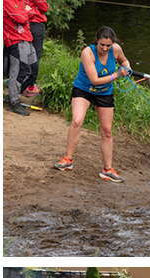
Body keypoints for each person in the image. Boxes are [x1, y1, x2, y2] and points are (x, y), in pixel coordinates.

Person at [54, 26, 131, 183]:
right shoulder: (87, 52)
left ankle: (108, 170)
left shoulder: (116, 49)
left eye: (108, 46)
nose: (104, 48)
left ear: (113, 44)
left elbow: (124, 61)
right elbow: (94, 80)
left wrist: (127, 68)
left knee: (107, 131)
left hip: (104, 92)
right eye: (102, 44)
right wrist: (117, 75)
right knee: (77, 120)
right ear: (97, 41)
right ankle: (68, 159)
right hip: (84, 89)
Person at [3, 0, 36, 116]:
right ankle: (14, 102)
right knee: (18, 71)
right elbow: (22, 18)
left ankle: (12, 95)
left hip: (27, 38)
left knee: (32, 69)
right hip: (16, 40)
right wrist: (26, 12)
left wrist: (25, 12)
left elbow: (32, 13)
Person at [19, 0, 47, 96]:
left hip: (25, 25)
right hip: (35, 25)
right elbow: (45, 7)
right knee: (35, 56)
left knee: (26, 55)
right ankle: (30, 86)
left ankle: (24, 84)